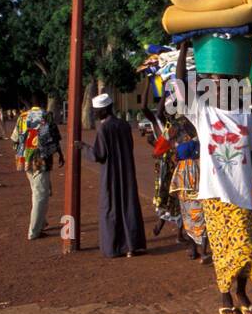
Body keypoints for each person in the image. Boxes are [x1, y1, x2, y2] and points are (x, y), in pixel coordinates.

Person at [174, 39, 252, 314]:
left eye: (226, 80)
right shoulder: (202, 113)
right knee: (224, 247)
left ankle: (238, 291)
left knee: (248, 247)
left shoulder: (245, 115)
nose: (220, 85)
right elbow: (179, 86)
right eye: (214, 81)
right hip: (214, 193)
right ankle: (228, 295)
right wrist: (184, 50)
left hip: (241, 193)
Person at [79, 93, 147, 258]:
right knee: (128, 205)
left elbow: (99, 154)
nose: (95, 113)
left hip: (110, 174)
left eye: (97, 111)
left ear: (104, 110)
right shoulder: (124, 125)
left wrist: (83, 148)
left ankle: (115, 247)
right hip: (127, 171)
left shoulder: (104, 128)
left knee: (110, 206)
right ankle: (132, 245)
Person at [9, 103, 64, 240]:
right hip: (41, 160)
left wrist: (21, 156)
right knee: (40, 195)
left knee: (36, 190)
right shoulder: (46, 116)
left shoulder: (22, 117)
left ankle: (42, 222)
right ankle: (34, 232)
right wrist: (60, 155)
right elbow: (54, 139)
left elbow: (14, 140)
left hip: (26, 160)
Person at [170, 118, 210, 262]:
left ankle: (196, 251)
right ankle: (200, 251)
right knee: (196, 215)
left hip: (186, 179)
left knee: (192, 216)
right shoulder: (195, 134)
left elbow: (175, 157)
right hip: (192, 179)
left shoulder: (181, 137)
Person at [142, 88, 182, 237]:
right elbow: (150, 110)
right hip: (166, 167)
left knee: (177, 197)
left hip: (176, 166)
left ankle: (177, 232)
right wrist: (163, 89)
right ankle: (165, 225)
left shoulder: (179, 125)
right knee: (167, 196)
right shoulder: (164, 126)